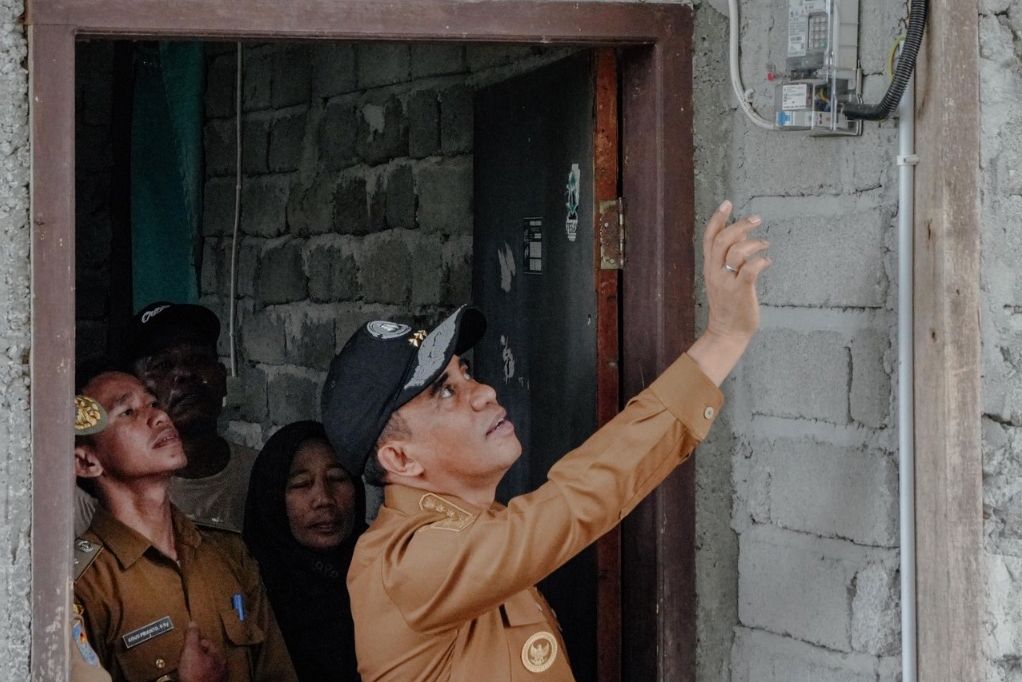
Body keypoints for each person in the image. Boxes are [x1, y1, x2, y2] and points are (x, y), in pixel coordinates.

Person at [326, 200, 768, 680]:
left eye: (465, 372)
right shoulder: (403, 563)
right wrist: (723, 337)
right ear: (400, 457)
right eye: (446, 392)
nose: (485, 393)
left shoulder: (478, 525)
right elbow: (578, 499)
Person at [73, 370, 298, 682]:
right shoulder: (83, 588)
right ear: (86, 462)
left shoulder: (227, 553)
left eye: (152, 403)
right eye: (127, 411)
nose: (158, 417)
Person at [242, 421, 366, 682]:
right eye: (301, 484)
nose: (324, 498)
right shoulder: (251, 593)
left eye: (337, 478)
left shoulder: (388, 571)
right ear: (273, 500)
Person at [130, 301, 257, 532]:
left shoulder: (263, 477)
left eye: (198, 360)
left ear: (222, 377)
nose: (185, 374)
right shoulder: (120, 493)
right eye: (163, 365)